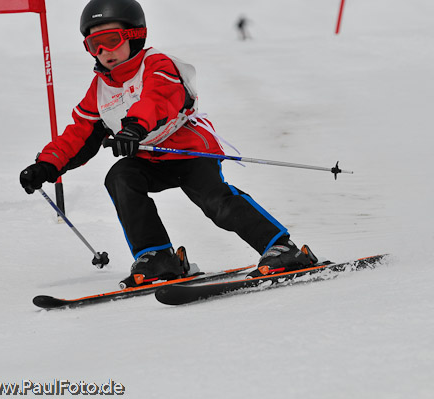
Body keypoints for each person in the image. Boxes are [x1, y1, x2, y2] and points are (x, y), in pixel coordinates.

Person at [19, 0, 315, 286]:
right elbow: (79, 134)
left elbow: (158, 100)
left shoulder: (156, 64)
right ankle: (157, 256)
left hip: (188, 151)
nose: (104, 51)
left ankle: (282, 249)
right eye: (95, 45)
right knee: (120, 176)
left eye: (111, 39)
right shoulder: (99, 91)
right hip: (149, 161)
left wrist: (133, 128)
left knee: (215, 202)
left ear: (135, 35)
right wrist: (46, 165)